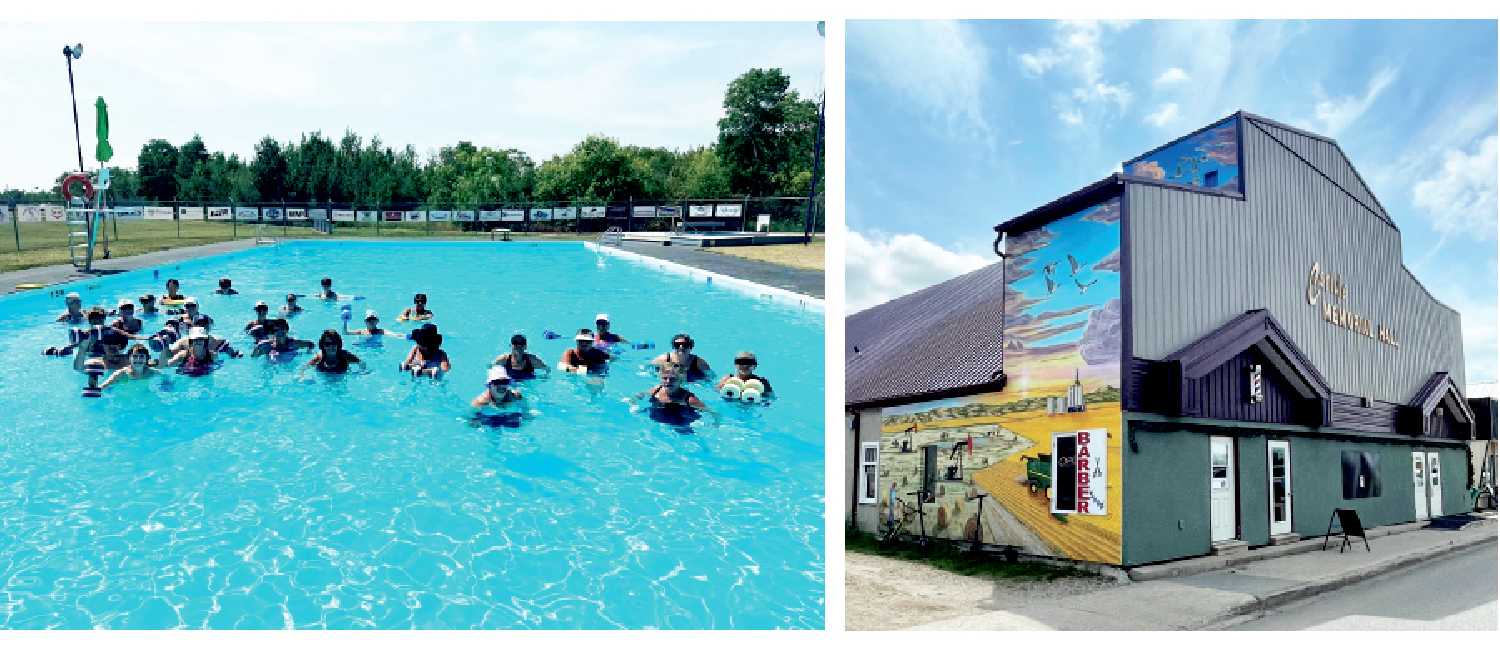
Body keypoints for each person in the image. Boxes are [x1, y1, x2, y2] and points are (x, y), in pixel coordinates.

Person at [638, 366, 716, 425]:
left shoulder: (689, 399)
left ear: (680, 381)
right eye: (665, 378)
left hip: (679, 425)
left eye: (673, 379)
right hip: (656, 419)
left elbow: (712, 412)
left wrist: (715, 423)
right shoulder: (656, 390)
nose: (668, 381)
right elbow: (639, 396)